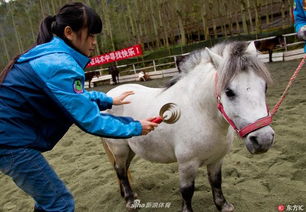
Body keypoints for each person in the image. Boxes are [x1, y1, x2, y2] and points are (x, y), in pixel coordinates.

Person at [0, 2, 158, 212]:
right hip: (10, 141)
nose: (94, 43)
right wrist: (136, 126)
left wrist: (108, 101)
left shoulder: (49, 54)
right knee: (60, 202)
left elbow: (71, 96)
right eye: (90, 35)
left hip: (9, 135)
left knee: (49, 201)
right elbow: (90, 120)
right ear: (69, 32)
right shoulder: (60, 64)